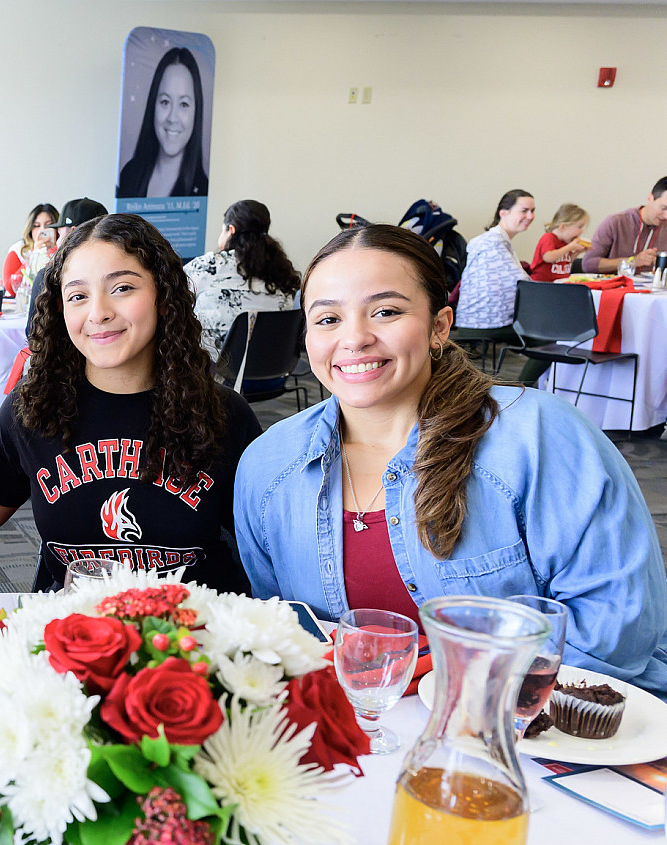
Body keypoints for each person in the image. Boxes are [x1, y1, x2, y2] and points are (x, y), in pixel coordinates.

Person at [235, 224, 667, 695]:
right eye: (327, 319)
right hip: (366, 735)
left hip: (537, 730)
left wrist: (444, 691)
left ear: (439, 326)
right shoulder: (269, 464)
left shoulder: (540, 437)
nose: (355, 338)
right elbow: (282, 632)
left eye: (385, 311)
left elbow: (614, 634)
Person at [0, 214, 261, 593]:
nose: (98, 312)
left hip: (191, 638)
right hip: (74, 632)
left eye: (121, 288)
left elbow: (270, 543)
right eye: (78, 296)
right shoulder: (34, 407)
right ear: (60, 309)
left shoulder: (222, 414)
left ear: (163, 297)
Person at [183, 199, 301, 359]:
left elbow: (174, 295)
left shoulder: (208, 266)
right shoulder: (281, 272)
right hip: (273, 369)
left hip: (213, 372)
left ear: (231, 229)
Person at [115, 47, 210, 199]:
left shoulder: (202, 189)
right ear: (153, 105)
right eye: (165, 102)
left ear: (196, 111)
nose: (172, 118)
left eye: (184, 104)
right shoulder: (130, 174)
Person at [454, 189, 534, 331]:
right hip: (483, 324)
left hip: (480, 321)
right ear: (503, 213)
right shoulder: (493, 242)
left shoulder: (496, 240)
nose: (530, 216)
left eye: (532, 211)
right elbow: (521, 284)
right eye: (524, 210)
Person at [27, 197, 109, 335]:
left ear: (72, 232)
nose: (58, 241)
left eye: (60, 234)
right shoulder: (121, 270)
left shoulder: (48, 276)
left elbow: (33, 333)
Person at [580, 176, 667, 275]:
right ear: (650, 198)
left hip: (654, 288)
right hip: (614, 287)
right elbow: (588, 264)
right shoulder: (616, 222)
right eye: (664, 208)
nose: (666, 216)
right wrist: (632, 261)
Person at [2, 203, 58, 296]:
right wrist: (33, 256)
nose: (42, 230)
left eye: (49, 225)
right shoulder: (18, 250)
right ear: (30, 229)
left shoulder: (63, 249)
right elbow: (10, 288)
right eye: (37, 226)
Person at [528, 203, 590, 282]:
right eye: (579, 227)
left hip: (559, 283)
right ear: (563, 227)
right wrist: (570, 247)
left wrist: (577, 252)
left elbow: (566, 261)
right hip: (542, 284)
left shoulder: (566, 241)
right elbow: (548, 257)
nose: (582, 231)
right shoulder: (549, 238)